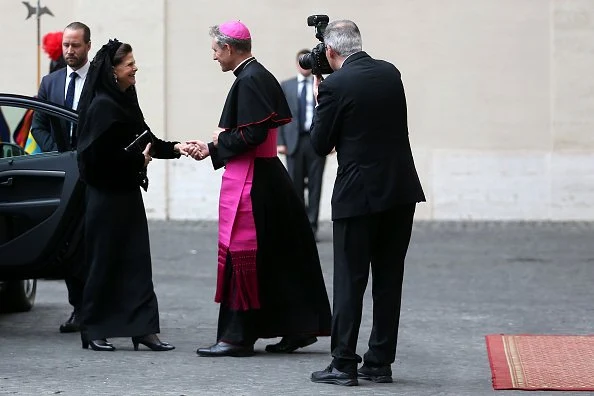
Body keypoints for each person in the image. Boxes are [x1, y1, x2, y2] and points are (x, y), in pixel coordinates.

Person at [187, 20, 331, 357]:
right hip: (269, 178)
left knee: (245, 256)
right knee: (281, 257)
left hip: (255, 182)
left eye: (215, 50)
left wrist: (215, 144)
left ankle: (236, 337)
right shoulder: (257, 75)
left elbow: (250, 136)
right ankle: (299, 328)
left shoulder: (250, 79)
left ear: (229, 48)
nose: (214, 57)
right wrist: (214, 147)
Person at [309, 20, 426, 386]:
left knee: (350, 280)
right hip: (400, 190)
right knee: (389, 279)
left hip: (358, 195)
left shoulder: (335, 86)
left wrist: (320, 95)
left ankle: (343, 363)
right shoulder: (391, 73)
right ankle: (379, 362)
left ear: (330, 52)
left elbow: (318, 144)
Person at [76, 38, 188, 352]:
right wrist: (136, 161)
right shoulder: (102, 106)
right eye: (129, 64)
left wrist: (177, 148)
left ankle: (143, 329)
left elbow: (145, 139)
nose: (135, 68)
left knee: (136, 263)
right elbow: (95, 159)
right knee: (104, 263)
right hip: (104, 197)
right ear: (113, 72)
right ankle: (94, 329)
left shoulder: (126, 99)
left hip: (126, 195)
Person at [31, 22, 92, 334]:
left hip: (95, 174)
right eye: (66, 45)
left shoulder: (100, 80)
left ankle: (99, 309)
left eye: (76, 45)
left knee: (94, 243)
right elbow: (37, 125)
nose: (70, 51)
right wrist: (60, 155)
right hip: (65, 176)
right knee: (68, 245)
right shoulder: (51, 82)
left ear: (88, 47)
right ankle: (79, 309)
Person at [277, 49, 326, 240]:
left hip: (315, 141)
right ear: (297, 64)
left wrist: (329, 142)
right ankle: (299, 226)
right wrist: (280, 142)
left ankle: (312, 227)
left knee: (315, 186)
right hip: (293, 143)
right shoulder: (287, 86)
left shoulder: (322, 84)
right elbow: (280, 115)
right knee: (294, 186)